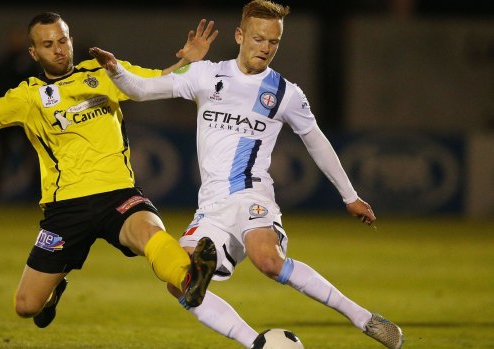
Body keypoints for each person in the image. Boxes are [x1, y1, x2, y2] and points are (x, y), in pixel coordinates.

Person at [89, 1, 404, 348]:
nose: (265, 48)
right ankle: (257, 343)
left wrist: (350, 196)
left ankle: (363, 318)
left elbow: (317, 142)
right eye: (258, 39)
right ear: (240, 36)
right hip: (211, 207)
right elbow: (142, 89)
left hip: (251, 194)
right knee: (179, 280)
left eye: (274, 42)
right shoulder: (205, 74)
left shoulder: (286, 93)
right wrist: (116, 70)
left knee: (267, 261)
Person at [0, 12, 220, 329]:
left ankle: (190, 277)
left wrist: (189, 61)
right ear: (34, 53)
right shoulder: (28, 95)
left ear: (70, 40)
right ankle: (54, 290)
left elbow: (158, 81)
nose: (58, 49)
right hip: (66, 208)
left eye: (62, 40)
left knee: (150, 233)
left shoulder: (103, 72)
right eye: (48, 44)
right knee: (26, 306)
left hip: (118, 194)